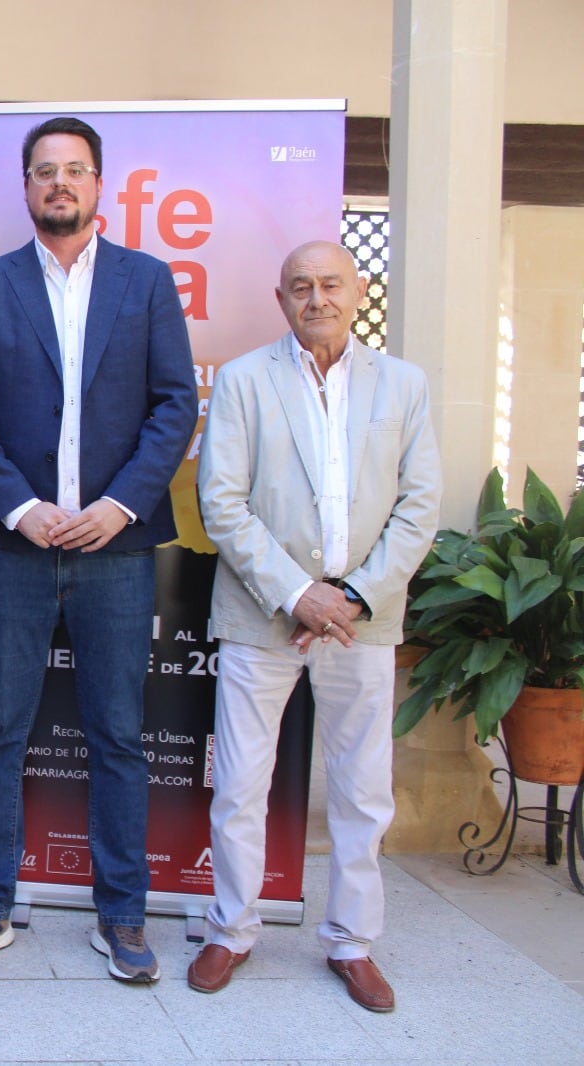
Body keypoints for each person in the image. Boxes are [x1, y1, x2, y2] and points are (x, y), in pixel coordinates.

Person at [0, 116, 197, 982]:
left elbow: (174, 405)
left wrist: (121, 505)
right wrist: (20, 509)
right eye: (45, 171)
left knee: (119, 735)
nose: (60, 183)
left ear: (100, 187)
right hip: (16, 547)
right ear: (25, 187)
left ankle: (122, 917)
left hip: (117, 550)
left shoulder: (148, 281)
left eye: (75, 171)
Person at [192, 241, 440, 1012]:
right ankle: (231, 930)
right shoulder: (241, 381)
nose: (317, 297)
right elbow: (221, 502)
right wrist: (299, 593)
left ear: (357, 291)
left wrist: (355, 598)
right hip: (263, 616)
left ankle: (352, 942)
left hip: (361, 625)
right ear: (280, 298)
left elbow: (420, 503)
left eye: (331, 283)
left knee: (364, 790)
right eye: (300, 285)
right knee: (238, 784)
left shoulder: (402, 385)